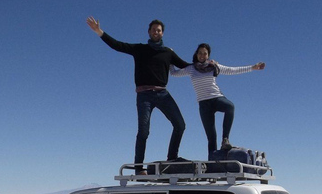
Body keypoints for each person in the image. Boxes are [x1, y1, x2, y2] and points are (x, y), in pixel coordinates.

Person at [86, 16, 190, 172]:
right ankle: (139, 167)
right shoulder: (140, 49)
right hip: (144, 96)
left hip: (163, 94)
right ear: (149, 32)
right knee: (143, 131)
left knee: (180, 125)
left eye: (159, 30)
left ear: (163, 33)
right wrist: (99, 31)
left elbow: (186, 66)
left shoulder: (168, 53)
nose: (156, 32)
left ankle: (172, 158)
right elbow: (117, 45)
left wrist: (206, 64)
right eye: (154, 29)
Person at [170, 43, 264, 157]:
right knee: (211, 137)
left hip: (216, 98)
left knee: (230, 107)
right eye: (200, 53)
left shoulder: (213, 66)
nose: (202, 55)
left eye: (205, 53)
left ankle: (225, 139)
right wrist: (170, 58)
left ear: (208, 55)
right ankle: (212, 162)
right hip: (204, 104)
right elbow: (174, 73)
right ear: (196, 54)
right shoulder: (191, 69)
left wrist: (252, 67)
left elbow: (231, 70)